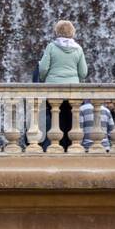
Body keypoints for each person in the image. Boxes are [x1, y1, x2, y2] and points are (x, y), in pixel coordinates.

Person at [37, 20, 87, 148]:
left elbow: (42, 69)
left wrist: (43, 79)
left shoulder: (51, 47)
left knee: (55, 118)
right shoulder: (78, 49)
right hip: (73, 92)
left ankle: (54, 146)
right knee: (69, 120)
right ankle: (69, 146)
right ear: (72, 32)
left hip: (53, 90)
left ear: (57, 31)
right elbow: (83, 73)